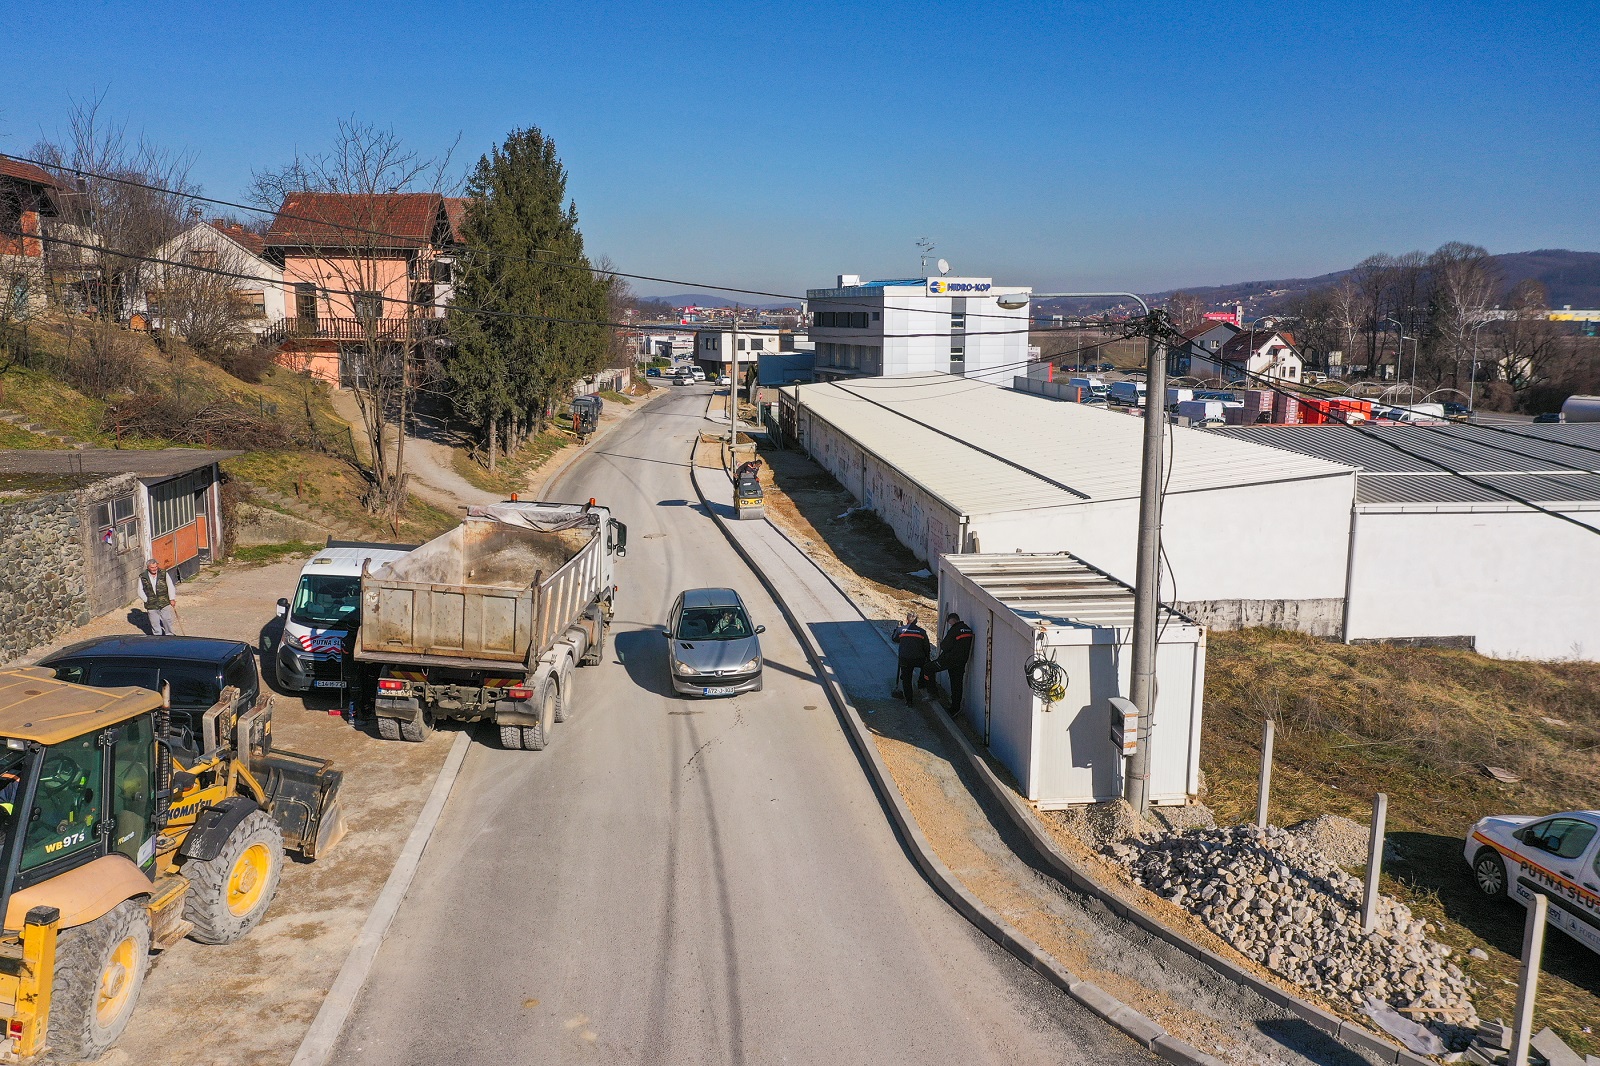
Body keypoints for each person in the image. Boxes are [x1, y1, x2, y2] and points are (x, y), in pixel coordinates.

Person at [932, 612, 975, 716]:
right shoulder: (968, 629)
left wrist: (942, 644)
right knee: (958, 684)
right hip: (962, 662)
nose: (950, 625)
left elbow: (945, 646)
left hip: (951, 660)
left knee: (930, 669)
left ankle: (934, 694)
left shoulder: (954, 629)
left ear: (953, 620)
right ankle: (956, 706)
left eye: (950, 623)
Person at [891, 612, 930, 706]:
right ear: (916, 621)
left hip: (905, 659)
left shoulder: (901, 630)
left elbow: (894, 639)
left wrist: (896, 629)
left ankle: (909, 701)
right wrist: (926, 657)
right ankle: (921, 683)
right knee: (925, 668)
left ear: (907, 620)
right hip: (918, 658)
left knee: (906, 679)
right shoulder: (922, 632)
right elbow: (927, 647)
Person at [140, 559, 179, 636]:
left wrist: (172, 598)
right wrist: (146, 600)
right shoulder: (143, 576)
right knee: (154, 622)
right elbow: (140, 590)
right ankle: (157, 637)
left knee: (167, 620)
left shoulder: (163, 573)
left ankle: (169, 635)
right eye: (152, 567)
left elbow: (170, 586)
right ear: (148, 567)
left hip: (164, 601)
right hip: (151, 604)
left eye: (156, 567)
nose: (154, 569)